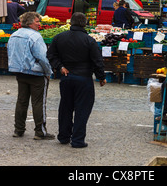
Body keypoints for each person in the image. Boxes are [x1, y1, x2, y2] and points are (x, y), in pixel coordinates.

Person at [47, 12, 106, 148]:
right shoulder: (89, 40)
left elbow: (51, 55)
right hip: (84, 78)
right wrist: (101, 77)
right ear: (84, 24)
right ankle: (78, 140)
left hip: (66, 77)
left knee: (65, 107)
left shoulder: (59, 38)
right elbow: (97, 61)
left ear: (71, 23)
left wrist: (60, 67)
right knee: (82, 109)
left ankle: (63, 136)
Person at [7, 12, 54, 140]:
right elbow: (43, 58)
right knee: (38, 103)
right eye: (37, 22)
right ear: (30, 23)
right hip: (36, 73)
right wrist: (48, 72)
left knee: (22, 101)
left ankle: (18, 129)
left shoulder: (14, 35)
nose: (39, 24)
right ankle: (40, 131)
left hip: (20, 72)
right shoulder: (35, 37)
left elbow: (10, 53)